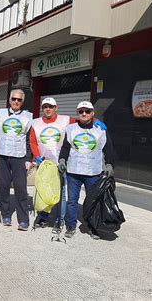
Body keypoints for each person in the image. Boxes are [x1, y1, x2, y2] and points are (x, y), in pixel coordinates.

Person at [30, 98, 107, 232]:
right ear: (42, 108)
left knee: (63, 193)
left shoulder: (66, 120)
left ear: (56, 107)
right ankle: (43, 216)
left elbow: (83, 120)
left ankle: (60, 220)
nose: (48, 109)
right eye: (45, 107)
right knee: (44, 190)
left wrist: (96, 121)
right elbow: (32, 141)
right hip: (45, 163)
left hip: (63, 163)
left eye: (51, 106)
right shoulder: (35, 123)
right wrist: (36, 156)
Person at [58, 101, 115, 239]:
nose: (84, 114)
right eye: (81, 111)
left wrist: (109, 164)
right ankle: (71, 226)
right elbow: (66, 147)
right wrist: (62, 160)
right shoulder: (70, 129)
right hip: (73, 172)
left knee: (93, 201)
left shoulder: (101, 129)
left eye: (87, 111)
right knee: (72, 201)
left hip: (93, 172)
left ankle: (92, 227)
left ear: (92, 113)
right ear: (77, 113)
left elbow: (108, 148)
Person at [0, 89, 33, 231]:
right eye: (14, 99)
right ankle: (5, 215)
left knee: (21, 188)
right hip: (2, 156)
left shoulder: (28, 116)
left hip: (20, 157)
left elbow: (29, 140)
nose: (16, 102)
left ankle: (23, 219)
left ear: (22, 102)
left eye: (19, 100)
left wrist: (29, 158)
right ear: (9, 99)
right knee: (4, 186)